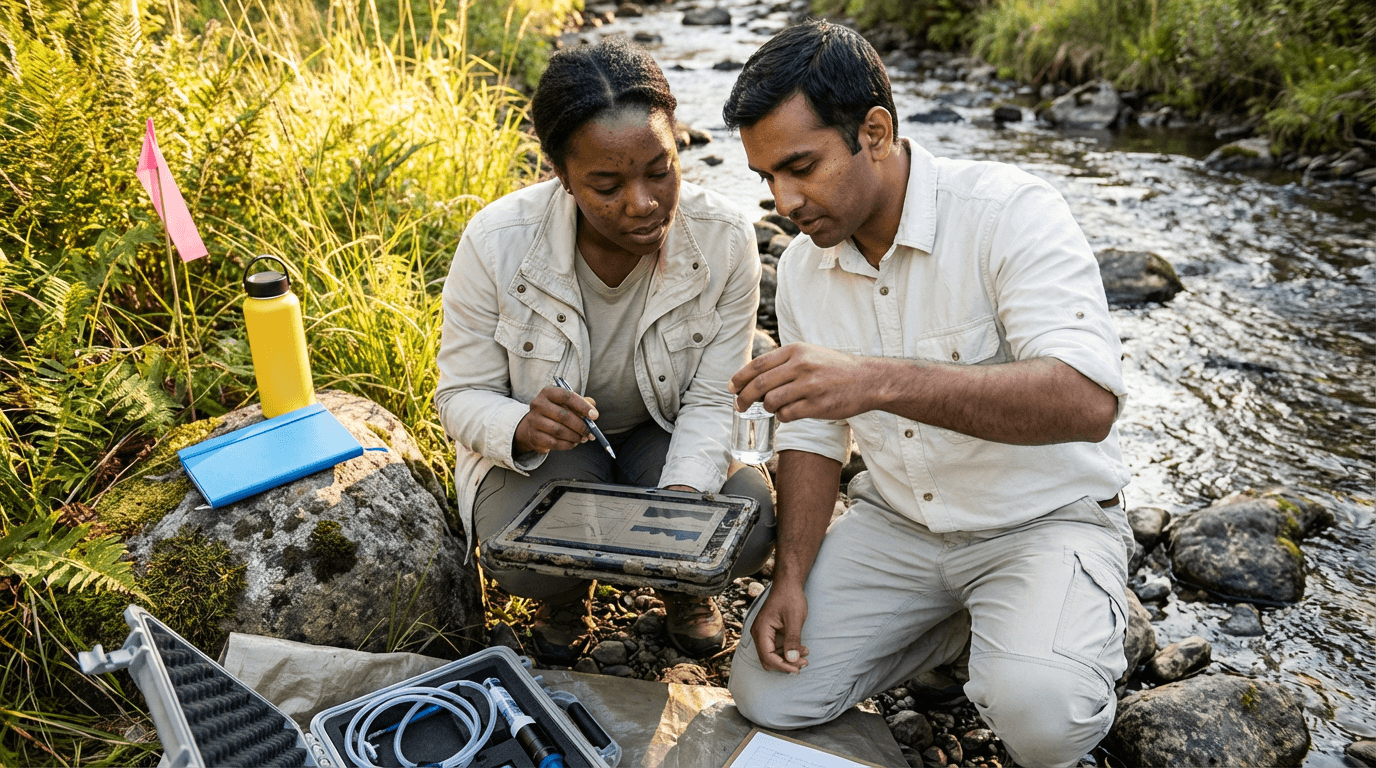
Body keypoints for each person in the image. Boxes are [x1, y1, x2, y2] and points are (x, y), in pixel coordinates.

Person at [720, 20, 1134, 768]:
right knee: (766, 693)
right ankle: (959, 627)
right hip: (901, 526)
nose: (783, 200)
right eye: (765, 179)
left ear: (873, 132)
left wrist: (873, 379)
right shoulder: (811, 269)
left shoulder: (1010, 212)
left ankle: (1051, 624)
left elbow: (1086, 402)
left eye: (801, 167)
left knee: (1041, 721)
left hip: (1040, 522)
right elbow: (812, 435)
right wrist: (791, 577)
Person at [435, 38, 773, 661]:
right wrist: (522, 425)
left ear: (679, 146)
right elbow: (458, 394)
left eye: (660, 171)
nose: (642, 204)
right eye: (607, 185)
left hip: (664, 431)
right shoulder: (496, 242)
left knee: (743, 521)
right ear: (561, 176)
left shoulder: (725, 240)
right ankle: (561, 599)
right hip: (553, 454)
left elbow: (711, 396)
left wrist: (682, 503)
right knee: (522, 557)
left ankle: (683, 591)